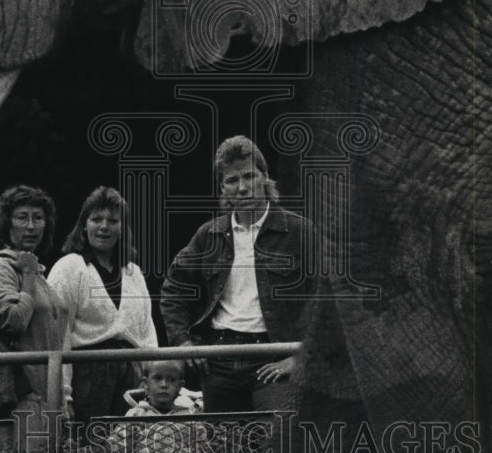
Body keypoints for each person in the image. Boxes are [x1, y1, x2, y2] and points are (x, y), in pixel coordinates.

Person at [159, 136, 324, 414]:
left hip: (273, 356)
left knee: (275, 444)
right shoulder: (208, 235)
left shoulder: (299, 232)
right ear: (222, 188)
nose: (243, 188)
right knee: (222, 450)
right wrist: (183, 342)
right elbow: (174, 290)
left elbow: (330, 298)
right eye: (232, 180)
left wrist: (302, 356)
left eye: (250, 176)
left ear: (265, 178)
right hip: (219, 357)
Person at [47, 186, 157, 432]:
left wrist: (154, 381)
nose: (104, 226)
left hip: (132, 377)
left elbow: (147, 333)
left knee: (130, 451)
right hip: (87, 376)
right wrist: (63, 395)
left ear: (122, 228)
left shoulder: (133, 272)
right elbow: (57, 336)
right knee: (89, 451)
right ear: (84, 225)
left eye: (112, 221)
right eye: (96, 219)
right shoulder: (69, 268)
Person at [0, 184, 69, 453]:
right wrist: (26, 277)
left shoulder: (35, 269)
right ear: (7, 223)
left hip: (44, 399)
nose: (31, 226)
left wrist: (61, 400)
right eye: (21, 217)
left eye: (38, 218)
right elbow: (12, 320)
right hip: (14, 399)